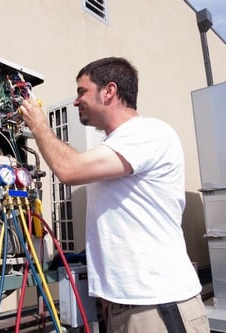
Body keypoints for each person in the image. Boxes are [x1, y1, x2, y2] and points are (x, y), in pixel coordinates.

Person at [19, 57, 209, 333]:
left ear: (109, 91)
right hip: (128, 306)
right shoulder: (117, 145)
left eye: (82, 91)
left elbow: (68, 169)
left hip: (158, 307)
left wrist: (39, 127)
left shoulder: (147, 133)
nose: (75, 101)